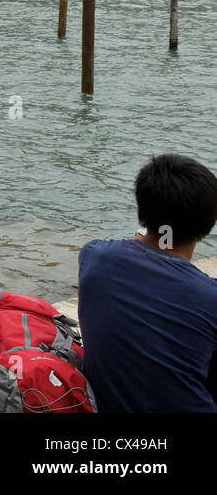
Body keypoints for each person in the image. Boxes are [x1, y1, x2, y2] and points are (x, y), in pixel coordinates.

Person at [77, 154, 217, 412]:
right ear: (208, 224)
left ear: (141, 209)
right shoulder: (209, 297)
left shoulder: (93, 256)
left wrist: (147, 230)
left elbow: (143, 247)